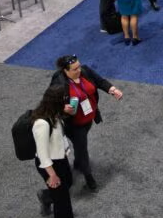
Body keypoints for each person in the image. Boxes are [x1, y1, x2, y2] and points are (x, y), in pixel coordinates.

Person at [51, 55, 123, 193]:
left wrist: (113, 90)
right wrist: (62, 108)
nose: (79, 70)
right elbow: (50, 101)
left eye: (79, 66)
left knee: (80, 146)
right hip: (73, 124)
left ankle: (78, 163)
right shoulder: (58, 81)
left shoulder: (85, 71)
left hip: (88, 119)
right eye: (75, 69)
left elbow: (100, 81)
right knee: (82, 149)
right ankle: (89, 177)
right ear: (65, 70)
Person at [32, 85, 74, 218]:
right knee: (62, 200)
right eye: (64, 99)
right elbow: (42, 153)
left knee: (68, 183)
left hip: (60, 158)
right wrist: (52, 175)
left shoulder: (54, 114)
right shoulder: (42, 124)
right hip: (50, 164)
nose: (66, 101)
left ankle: (46, 196)